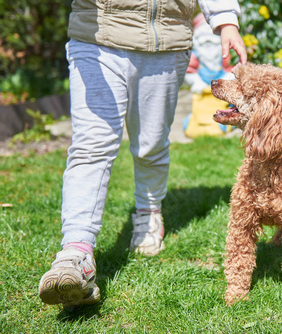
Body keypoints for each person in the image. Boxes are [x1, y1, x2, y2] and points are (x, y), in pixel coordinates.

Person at [38, 0, 247, 307]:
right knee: (91, 146)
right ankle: (76, 252)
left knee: (151, 145)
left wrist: (226, 20)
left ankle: (148, 214)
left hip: (165, 40)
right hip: (97, 40)